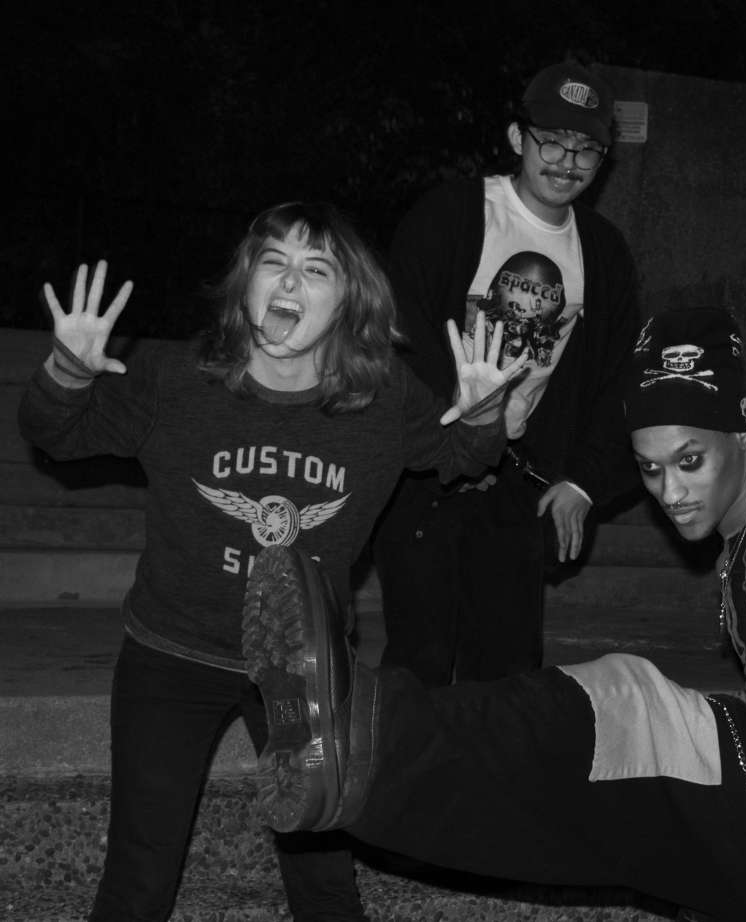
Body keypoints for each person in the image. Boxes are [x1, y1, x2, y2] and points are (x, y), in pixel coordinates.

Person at [242, 307, 746, 922]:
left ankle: (365, 725)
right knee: (577, 801)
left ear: (744, 428)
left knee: (631, 700)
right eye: (651, 468)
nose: (671, 490)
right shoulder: (745, 535)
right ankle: (352, 791)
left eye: (689, 460)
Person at [18, 202, 522, 922]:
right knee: (138, 881)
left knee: (324, 883)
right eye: (273, 262)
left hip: (305, 666)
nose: (289, 281)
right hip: (171, 655)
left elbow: (461, 457)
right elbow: (56, 434)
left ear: (349, 302)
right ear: (245, 283)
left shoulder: (383, 399)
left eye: (316, 270)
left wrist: (483, 413)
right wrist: (68, 370)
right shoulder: (176, 377)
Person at [373, 60, 641, 687]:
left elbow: (620, 377)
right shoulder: (454, 213)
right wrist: (457, 428)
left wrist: (583, 480)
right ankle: (406, 754)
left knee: (508, 669)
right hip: (430, 473)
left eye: (586, 149)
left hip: (519, 480)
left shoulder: (603, 252)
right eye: (553, 141)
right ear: (518, 138)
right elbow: (395, 331)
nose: (567, 162)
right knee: (419, 660)